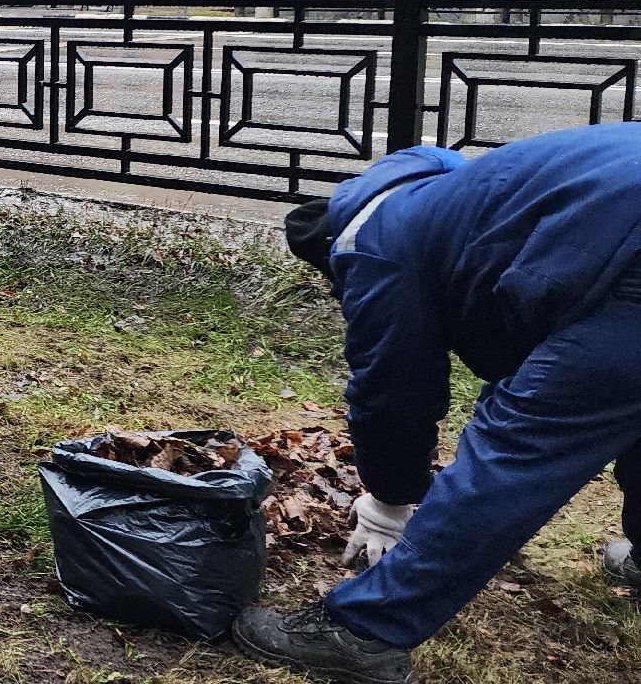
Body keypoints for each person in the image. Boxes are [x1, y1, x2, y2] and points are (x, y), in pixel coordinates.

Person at [232, 122, 641, 684]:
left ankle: (364, 630)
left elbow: (394, 392)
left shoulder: (373, 247)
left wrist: (390, 500)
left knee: (517, 447)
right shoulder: (438, 182)